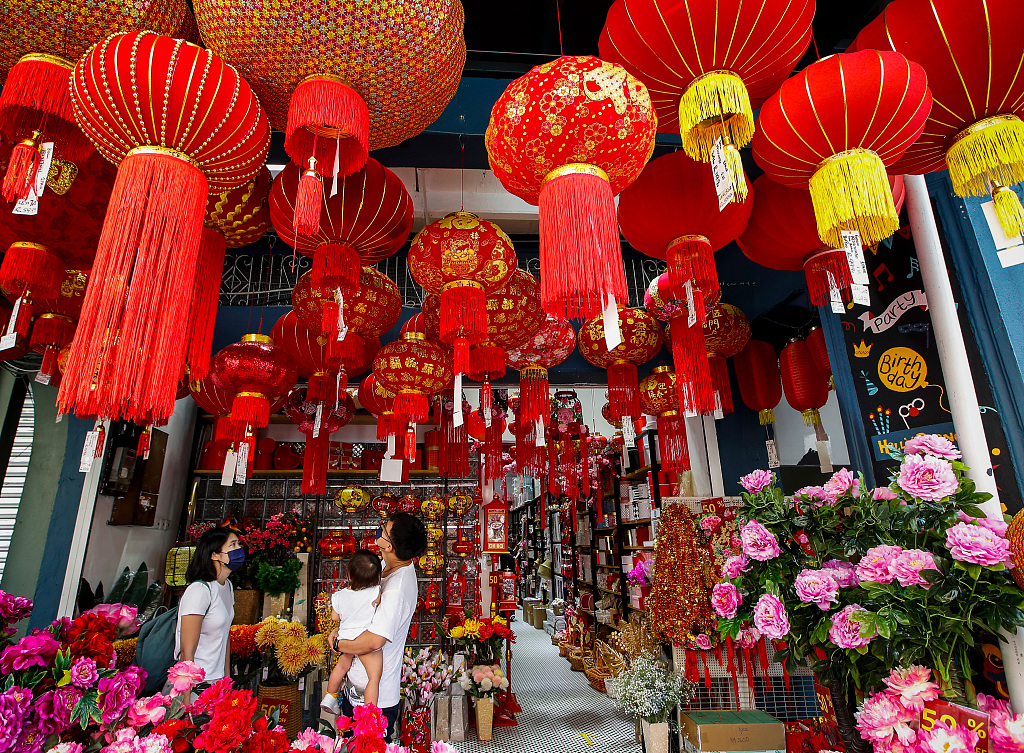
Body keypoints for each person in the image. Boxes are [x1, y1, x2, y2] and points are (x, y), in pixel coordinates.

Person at [329, 512, 427, 742]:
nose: (378, 533)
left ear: (390, 546)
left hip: (376, 698)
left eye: (383, 532)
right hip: (357, 686)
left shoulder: (397, 590)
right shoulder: (385, 565)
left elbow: (375, 641)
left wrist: (338, 643)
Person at [173, 526, 242, 689]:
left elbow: (224, 637)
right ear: (214, 554)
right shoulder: (199, 591)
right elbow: (186, 651)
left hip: (216, 682)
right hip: (197, 683)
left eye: (238, 544)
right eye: (232, 545)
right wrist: (186, 699)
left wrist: (226, 681)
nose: (238, 549)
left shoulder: (227, 587)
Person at [320, 549, 383, 713]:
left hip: (346, 639)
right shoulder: (376, 592)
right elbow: (379, 603)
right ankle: (370, 714)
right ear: (377, 577)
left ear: (348, 575)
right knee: (373, 678)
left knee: (341, 668)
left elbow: (335, 617)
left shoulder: (340, 595)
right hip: (365, 640)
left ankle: (330, 696)